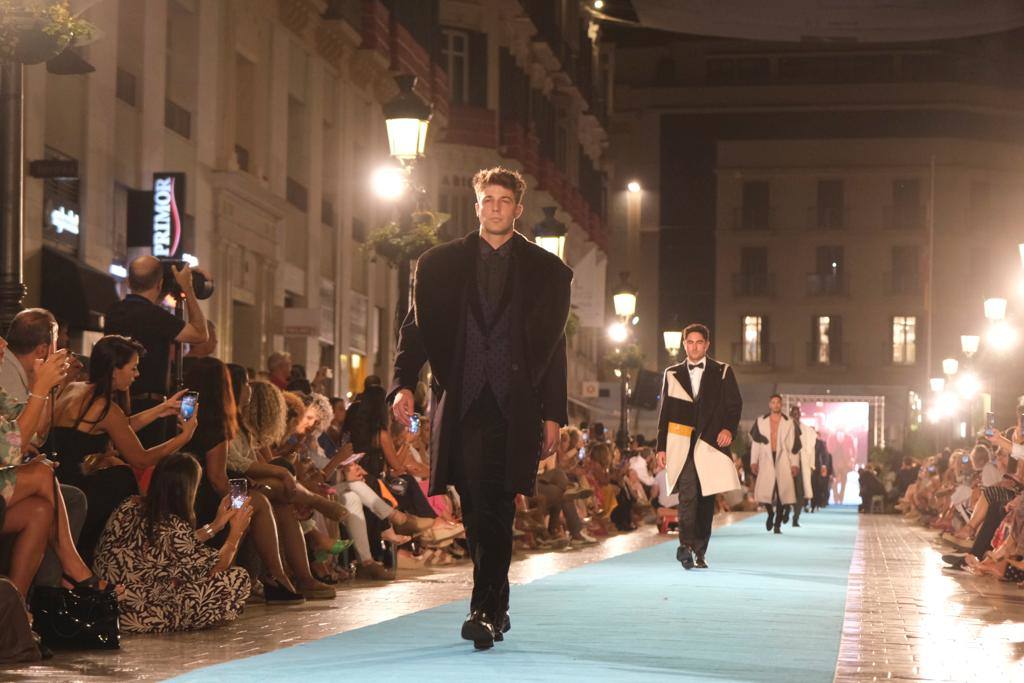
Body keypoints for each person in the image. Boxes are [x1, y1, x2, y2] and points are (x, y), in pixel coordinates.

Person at [390, 166, 571, 650]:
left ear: (517, 208)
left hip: (514, 404)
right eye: (487, 199)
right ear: (476, 207)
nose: (494, 206)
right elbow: (415, 329)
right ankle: (498, 601)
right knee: (473, 505)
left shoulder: (545, 271)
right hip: (463, 397)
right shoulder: (440, 265)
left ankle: (484, 609)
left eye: (503, 199)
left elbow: (555, 347)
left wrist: (553, 411)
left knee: (496, 504)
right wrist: (403, 384)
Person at [50, 335, 198, 562]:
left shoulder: (74, 388)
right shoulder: (105, 408)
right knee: (124, 476)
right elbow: (141, 459)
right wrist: (183, 438)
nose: (137, 375)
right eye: (133, 368)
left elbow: (120, 427)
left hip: (59, 478)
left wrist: (161, 409)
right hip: (80, 488)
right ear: (113, 370)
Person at [183, 356, 305, 604]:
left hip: (186, 491)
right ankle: (277, 577)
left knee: (261, 497)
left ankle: (274, 577)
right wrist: (240, 501)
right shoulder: (217, 423)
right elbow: (217, 479)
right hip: (205, 498)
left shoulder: (186, 415)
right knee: (257, 502)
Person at [93, 452, 252, 632]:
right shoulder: (175, 527)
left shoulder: (129, 505)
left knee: (182, 572)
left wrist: (216, 526)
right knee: (237, 577)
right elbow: (216, 568)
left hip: (108, 604)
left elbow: (175, 544)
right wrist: (235, 534)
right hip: (142, 613)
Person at [655, 323, 743, 569]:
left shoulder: (723, 371)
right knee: (687, 496)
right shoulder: (671, 373)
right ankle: (685, 546)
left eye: (699, 342)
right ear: (684, 344)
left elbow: (734, 405)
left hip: (710, 443)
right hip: (681, 443)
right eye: (690, 342)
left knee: (705, 500)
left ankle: (700, 550)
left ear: (707, 345)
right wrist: (661, 447)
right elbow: (665, 414)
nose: (694, 347)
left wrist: (728, 429)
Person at [104, 256, 209, 447]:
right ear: (159, 284)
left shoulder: (113, 311)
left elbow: (145, 307)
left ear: (128, 281)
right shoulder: (156, 317)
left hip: (117, 403)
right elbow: (201, 334)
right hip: (151, 408)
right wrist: (188, 288)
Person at [750, 394, 798, 534]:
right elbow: (756, 443)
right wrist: (754, 461)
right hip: (766, 458)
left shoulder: (789, 422)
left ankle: (777, 524)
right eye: (773, 402)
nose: (776, 405)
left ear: (781, 405)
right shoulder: (760, 421)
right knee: (766, 491)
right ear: (769, 404)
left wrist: (794, 464)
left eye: (778, 402)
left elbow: (793, 445)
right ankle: (770, 513)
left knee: (782, 492)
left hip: (782, 458)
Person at [790, 405, 816, 524]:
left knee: (800, 491)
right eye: (794, 414)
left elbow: (811, 449)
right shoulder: (785, 428)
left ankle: (796, 517)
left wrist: (811, 465)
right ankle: (785, 513)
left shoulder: (807, 431)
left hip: (802, 463)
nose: (796, 416)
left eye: (797, 414)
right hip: (788, 463)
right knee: (787, 490)